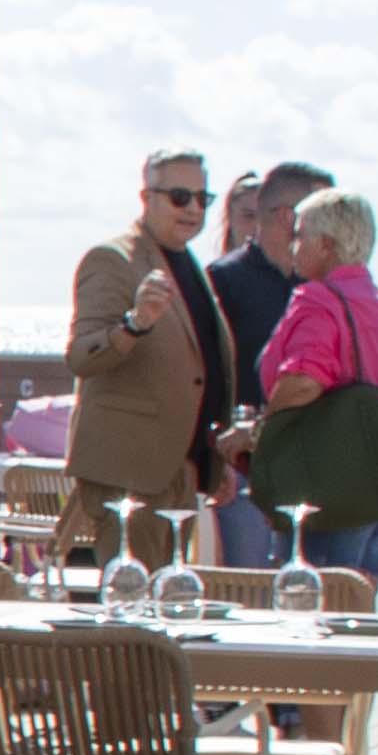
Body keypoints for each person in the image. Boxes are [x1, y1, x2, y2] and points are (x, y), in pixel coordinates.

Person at [59, 150, 235, 555]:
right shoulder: (113, 259)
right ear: (147, 197)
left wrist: (215, 459)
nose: (192, 208)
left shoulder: (186, 263)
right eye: (179, 196)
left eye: (201, 199)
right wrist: (135, 323)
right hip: (130, 473)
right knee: (132, 600)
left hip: (182, 469)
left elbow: (200, 368)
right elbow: (82, 357)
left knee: (164, 598)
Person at [251, 186, 378, 579]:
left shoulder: (319, 300)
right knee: (360, 617)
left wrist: (259, 433)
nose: (294, 245)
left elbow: (303, 381)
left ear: (326, 245)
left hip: (334, 492)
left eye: (300, 236)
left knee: (317, 614)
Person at [203, 157, 326, 562]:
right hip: (243, 465)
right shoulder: (224, 278)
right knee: (248, 587)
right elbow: (207, 376)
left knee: (306, 593)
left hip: (311, 462)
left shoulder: (320, 282)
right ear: (290, 216)